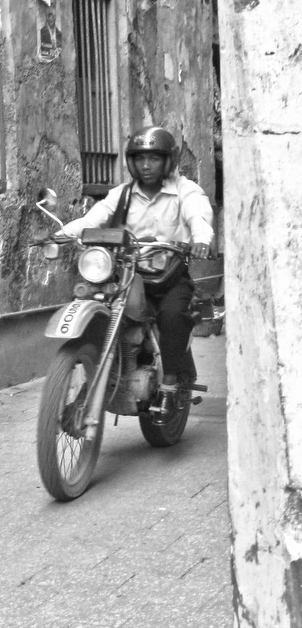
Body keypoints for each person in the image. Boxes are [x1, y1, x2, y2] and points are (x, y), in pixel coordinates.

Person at [54, 125, 214, 422]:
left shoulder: (184, 190)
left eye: (154, 159)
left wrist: (201, 239)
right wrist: (61, 234)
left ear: (168, 161)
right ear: (131, 162)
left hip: (169, 276)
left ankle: (170, 383)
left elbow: (198, 214)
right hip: (127, 273)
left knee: (173, 314)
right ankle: (99, 368)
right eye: (140, 159)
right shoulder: (123, 194)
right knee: (98, 300)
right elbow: (94, 219)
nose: (146, 165)